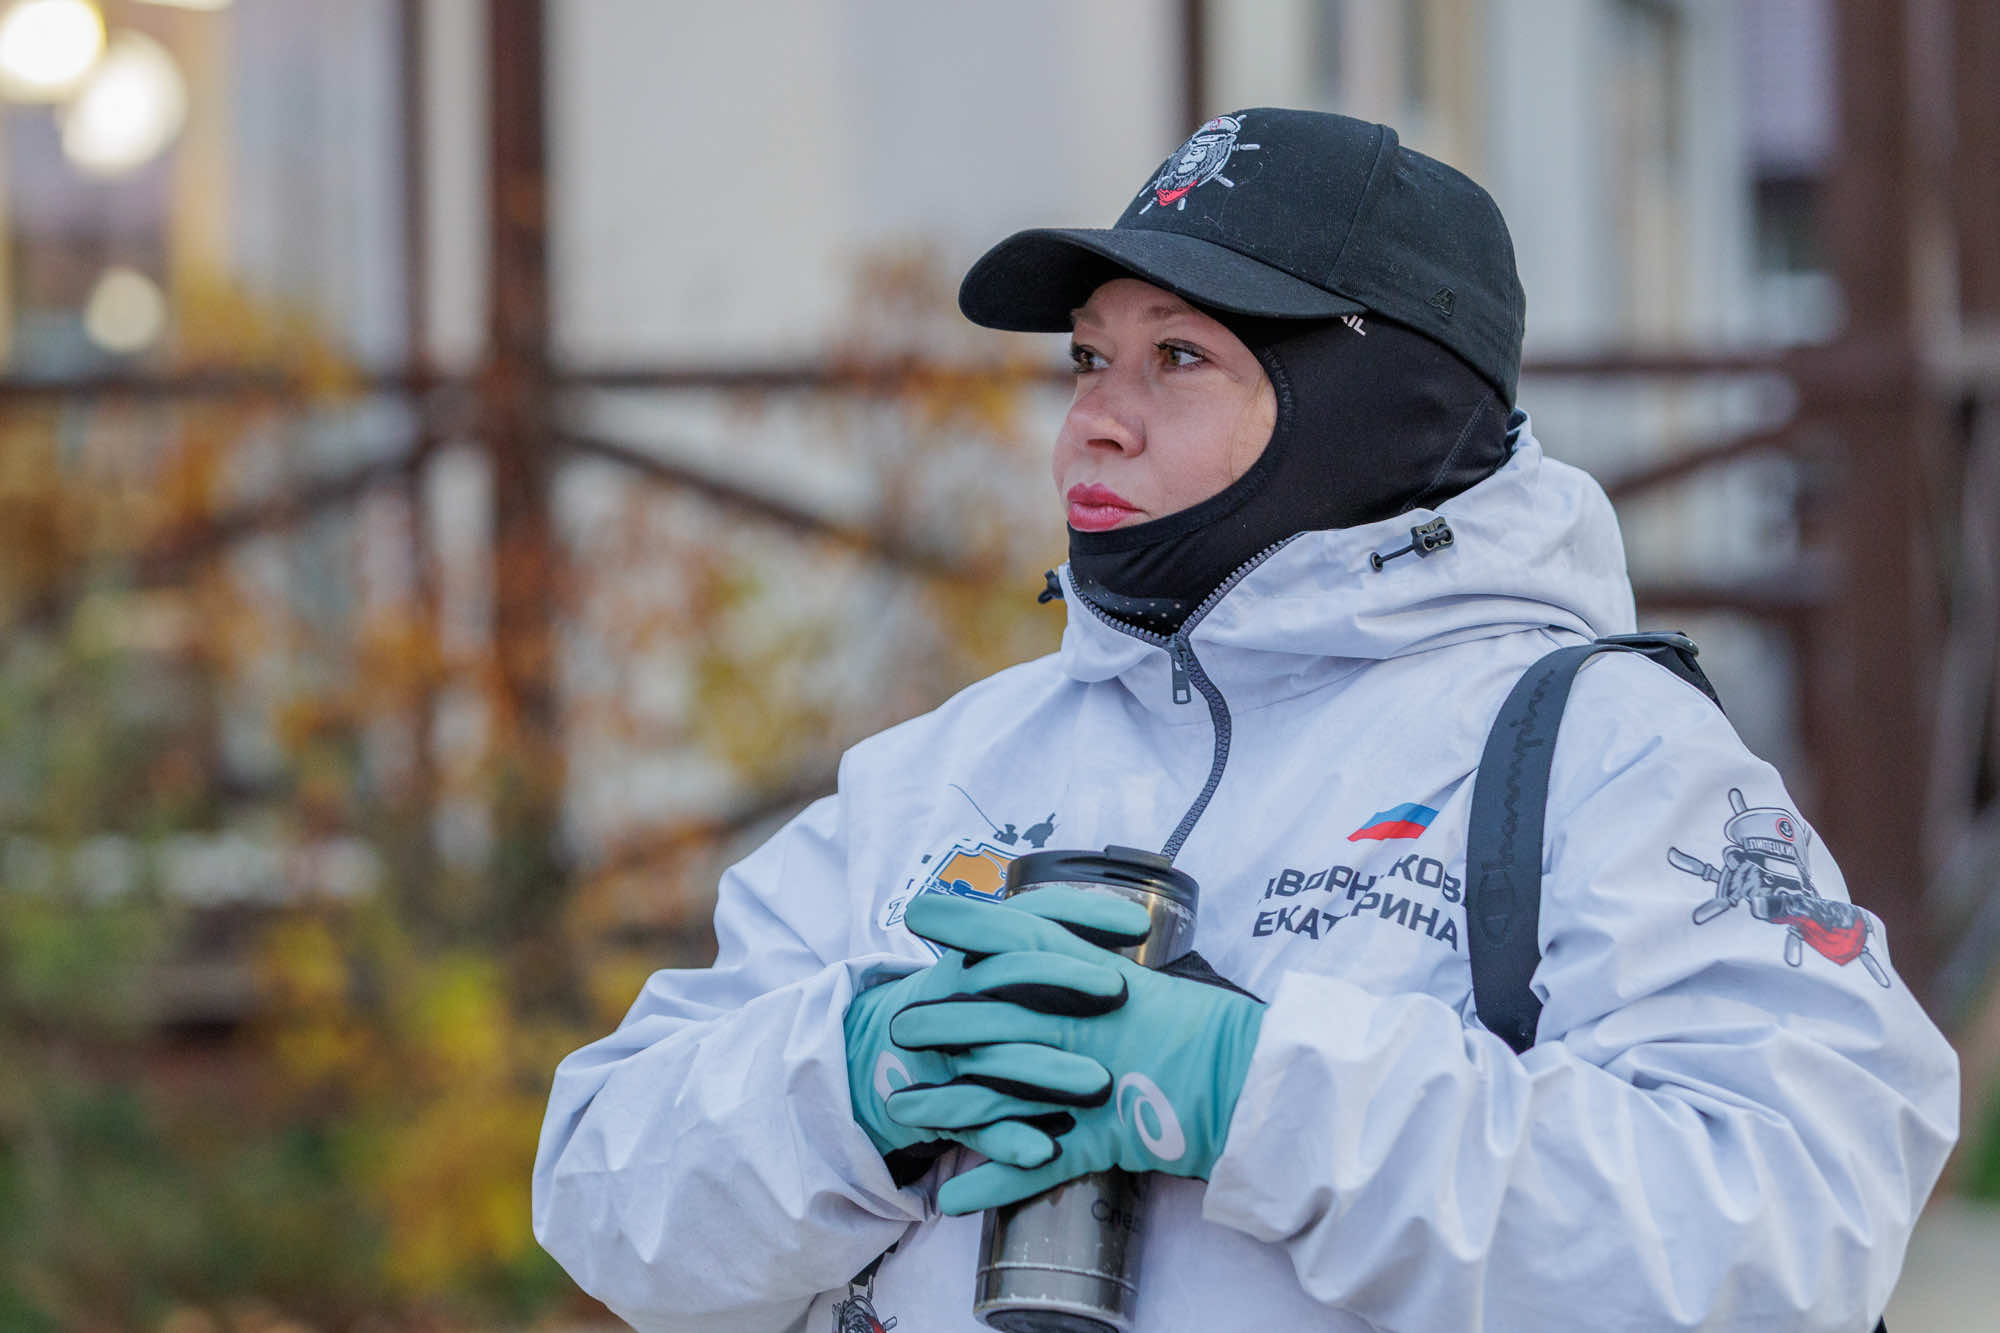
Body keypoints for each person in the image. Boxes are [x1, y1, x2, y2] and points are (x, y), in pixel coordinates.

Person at [532, 108, 1958, 1332]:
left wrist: (1257, 1090)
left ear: (1374, 400)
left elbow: (1789, 1227)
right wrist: (857, 1081)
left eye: (1179, 359)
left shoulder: (1605, 753)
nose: (1096, 422)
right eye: (1088, 360)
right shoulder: (948, 770)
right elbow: (604, 1192)